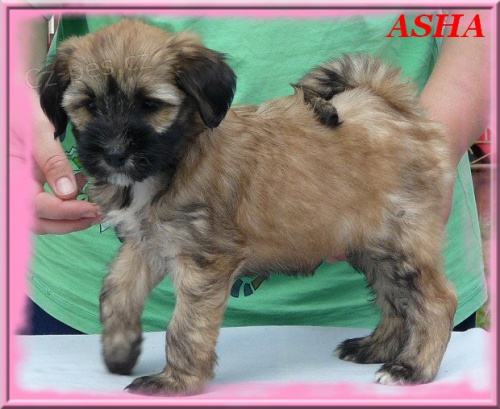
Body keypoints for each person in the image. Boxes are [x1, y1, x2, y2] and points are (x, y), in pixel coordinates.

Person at [24, 10, 489, 335]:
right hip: (81, 292)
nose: (117, 143)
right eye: (88, 106)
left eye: (151, 106)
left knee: (413, 308)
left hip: (365, 261)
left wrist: (425, 153)